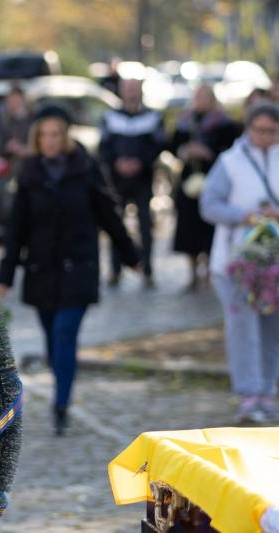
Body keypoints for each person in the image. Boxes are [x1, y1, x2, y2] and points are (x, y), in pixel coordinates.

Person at [0, 106, 139, 436]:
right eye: (44, 135)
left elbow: (108, 214)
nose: (50, 141)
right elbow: (16, 229)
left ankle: (61, 403)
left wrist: (131, 255)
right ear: (36, 138)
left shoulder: (84, 169)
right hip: (42, 269)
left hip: (79, 267)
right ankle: (62, 385)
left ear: (66, 136)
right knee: (52, 339)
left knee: (64, 333)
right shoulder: (29, 174)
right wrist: (5, 276)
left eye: (56, 134)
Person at [200, 101, 279, 424]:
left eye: (272, 131)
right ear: (248, 129)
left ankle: (268, 391)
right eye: (260, 130)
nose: (265, 137)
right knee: (242, 326)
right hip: (236, 262)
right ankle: (248, 393)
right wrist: (243, 217)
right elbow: (209, 205)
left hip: (273, 262)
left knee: (271, 327)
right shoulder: (230, 162)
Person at [170, 84, 239, 291]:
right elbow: (172, 145)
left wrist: (207, 153)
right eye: (197, 96)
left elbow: (230, 151)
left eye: (203, 96)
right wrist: (184, 151)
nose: (199, 100)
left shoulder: (224, 124)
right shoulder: (185, 121)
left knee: (209, 227)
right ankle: (192, 272)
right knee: (188, 229)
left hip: (213, 180)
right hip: (189, 180)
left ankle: (209, 270)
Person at [99, 77, 166, 288]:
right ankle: (115, 270)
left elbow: (158, 144)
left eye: (134, 88)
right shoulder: (110, 117)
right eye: (127, 88)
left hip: (143, 179)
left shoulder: (153, 117)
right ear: (121, 91)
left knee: (146, 225)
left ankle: (147, 270)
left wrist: (140, 162)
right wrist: (117, 162)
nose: (131, 93)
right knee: (115, 224)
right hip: (117, 180)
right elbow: (104, 147)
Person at [0, 85, 32, 181]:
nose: (13, 102)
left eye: (16, 99)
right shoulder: (4, 120)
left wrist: (24, 149)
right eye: (10, 99)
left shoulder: (33, 119)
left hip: (28, 167)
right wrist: (7, 147)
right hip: (7, 167)